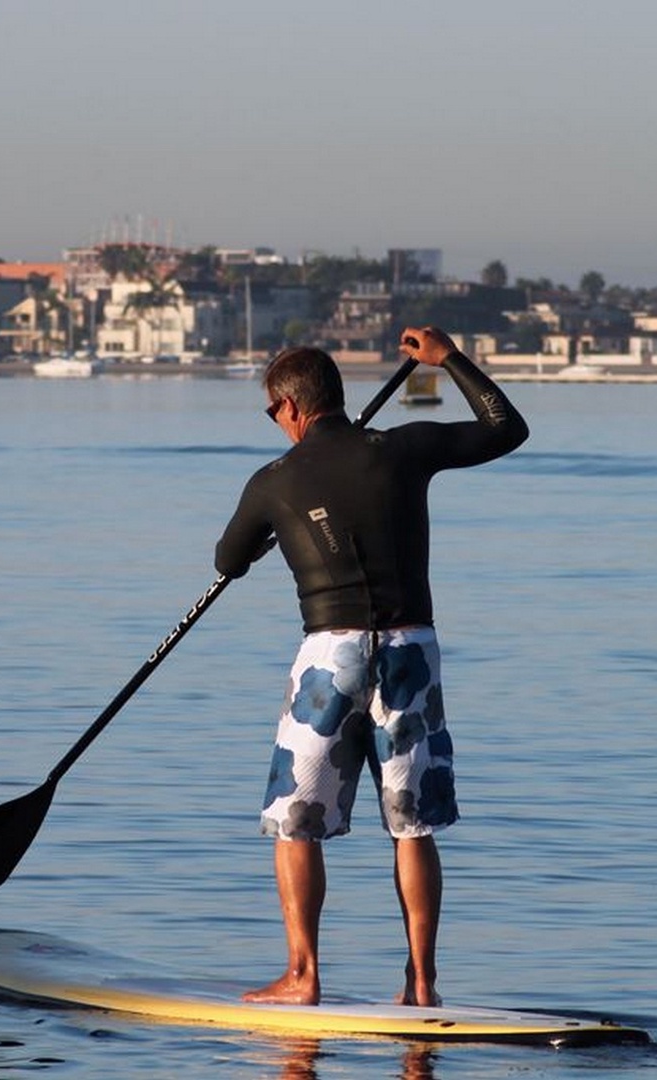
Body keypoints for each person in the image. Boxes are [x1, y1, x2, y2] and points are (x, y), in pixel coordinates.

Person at [214, 327, 529, 1007]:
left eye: (272, 412)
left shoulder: (274, 482)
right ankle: (421, 985)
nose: (275, 423)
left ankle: (302, 977)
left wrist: (271, 531)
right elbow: (507, 429)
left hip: (330, 660)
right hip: (411, 652)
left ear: (289, 407)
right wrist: (449, 361)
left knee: (296, 822)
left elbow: (227, 559)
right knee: (412, 826)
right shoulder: (399, 449)